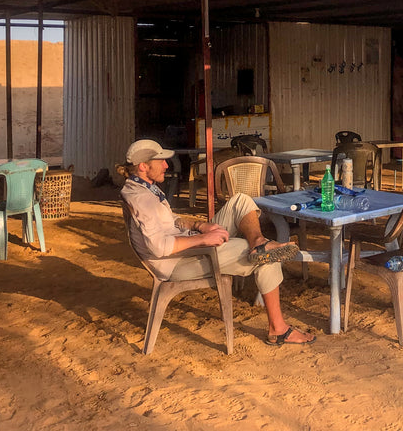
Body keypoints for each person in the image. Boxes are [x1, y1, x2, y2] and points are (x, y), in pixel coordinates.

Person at [120, 139, 316, 346]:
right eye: (161, 161)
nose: (167, 166)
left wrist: (199, 226)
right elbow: (158, 247)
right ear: (143, 166)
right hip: (176, 263)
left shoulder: (145, 188)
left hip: (187, 244)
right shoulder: (140, 198)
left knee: (240, 201)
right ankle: (278, 329)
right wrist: (203, 239)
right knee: (259, 257)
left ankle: (259, 242)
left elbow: (169, 221)